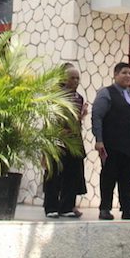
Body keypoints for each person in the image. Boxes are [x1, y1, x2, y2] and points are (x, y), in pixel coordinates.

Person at [92, 61, 130, 221]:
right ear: (115, 75)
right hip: (112, 144)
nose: (128, 76)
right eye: (124, 73)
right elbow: (97, 116)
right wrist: (99, 140)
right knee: (108, 177)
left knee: (128, 179)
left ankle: (128, 210)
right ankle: (105, 209)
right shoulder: (106, 93)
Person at [43, 65, 87, 218]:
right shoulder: (55, 96)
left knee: (72, 174)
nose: (75, 81)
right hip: (57, 140)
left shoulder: (79, 98)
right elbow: (50, 118)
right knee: (54, 174)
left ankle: (67, 207)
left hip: (73, 141)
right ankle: (51, 207)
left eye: (77, 78)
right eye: (72, 78)